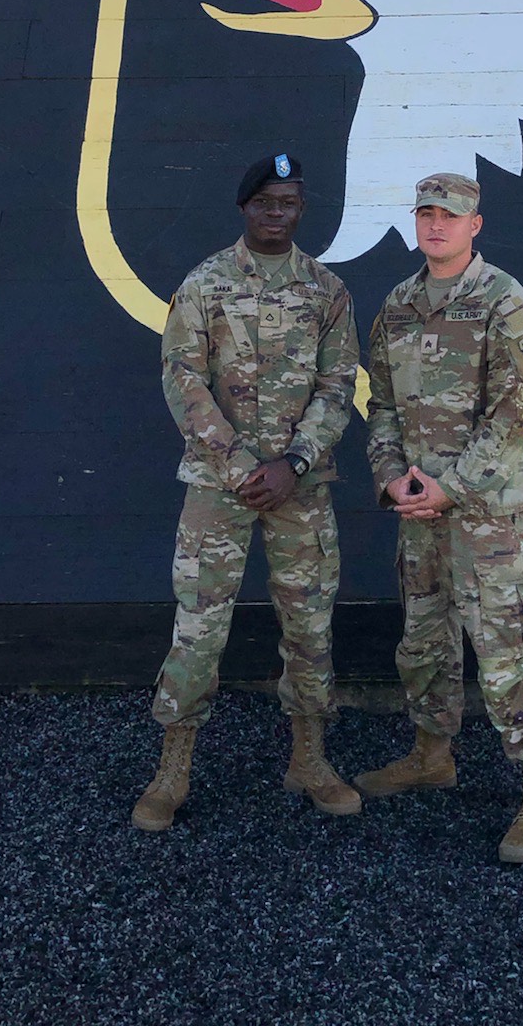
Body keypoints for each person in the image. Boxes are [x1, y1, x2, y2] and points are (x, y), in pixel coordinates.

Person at [132, 154, 361, 831]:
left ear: (300, 210)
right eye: (264, 200)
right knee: (199, 630)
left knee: (310, 628)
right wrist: (238, 465)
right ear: (244, 207)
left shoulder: (327, 290)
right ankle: (173, 768)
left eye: (286, 202)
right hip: (217, 486)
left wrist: (294, 460)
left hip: (301, 486)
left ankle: (310, 759)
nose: (274, 212)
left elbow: (338, 385)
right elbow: (182, 380)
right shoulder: (204, 283)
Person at [357, 172, 523, 863]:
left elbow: (515, 414)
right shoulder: (398, 305)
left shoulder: (504, 301)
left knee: (511, 652)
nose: (436, 225)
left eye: (451, 215)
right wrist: (391, 478)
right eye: (426, 213)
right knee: (424, 642)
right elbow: (382, 405)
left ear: (476, 224)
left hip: (487, 514)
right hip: (418, 510)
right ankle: (431, 754)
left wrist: (452, 485)